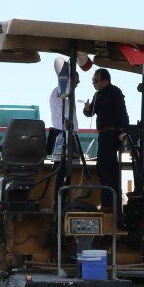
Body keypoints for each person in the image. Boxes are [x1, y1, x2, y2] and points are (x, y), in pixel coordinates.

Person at [82, 68, 129, 212]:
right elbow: (91, 113)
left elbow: (123, 112)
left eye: (95, 81)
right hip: (103, 134)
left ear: (105, 80)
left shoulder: (115, 92)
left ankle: (108, 205)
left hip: (112, 133)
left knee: (103, 168)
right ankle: (114, 204)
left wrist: (124, 131)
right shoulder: (98, 95)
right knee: (111, 169)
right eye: (93, 81)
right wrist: (87, 109)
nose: (94, 83)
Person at [48, 64, 79, 159]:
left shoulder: (70, 96)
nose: (77, 85)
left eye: (78, 82)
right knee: (60, 163)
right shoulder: (58, 91)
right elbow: (60, 111)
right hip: (61, 132)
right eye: (75, 81)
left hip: (70, 133)